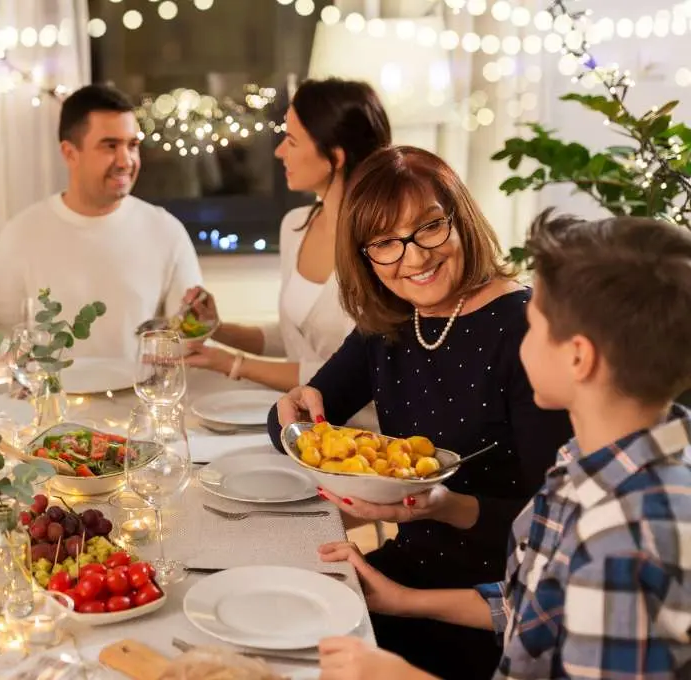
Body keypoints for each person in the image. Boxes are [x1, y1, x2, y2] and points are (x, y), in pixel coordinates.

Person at [316, 211, 691, 679]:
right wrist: (403, 601)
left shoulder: (624, 546)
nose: (518, 333)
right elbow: (536, 608)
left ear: (578, 357)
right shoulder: (589, 463)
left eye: (532, 324)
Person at [268, 146, 572, 679]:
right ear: (364, 255)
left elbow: (553, 532)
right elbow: (296, 423)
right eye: (385, 242)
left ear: (462, 220)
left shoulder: (528, 331)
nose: (413, 258)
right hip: (402, 578)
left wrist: (443, 506)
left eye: (429, 228)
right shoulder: (388, 324)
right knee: (273, 632)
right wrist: (292, 410)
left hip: (499, 608)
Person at [183, 79, 389, 432]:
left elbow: (344, 368)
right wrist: (217, 329)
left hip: (362, 436)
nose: (279, 152)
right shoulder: (295, 226)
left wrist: (232, 364)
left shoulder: (382, 248)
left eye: (292, 141)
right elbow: (294, 337)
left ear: (335, 157)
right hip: (299, 429)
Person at [0, 83, 203, 359]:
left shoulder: (166, 231)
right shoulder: (21, 233)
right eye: (110, 146)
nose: (126, 160)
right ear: (70, 153)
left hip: (141, 398)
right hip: (53, 400)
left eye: (132, 145)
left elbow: (190, 338)